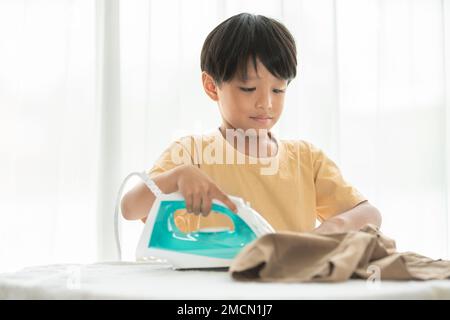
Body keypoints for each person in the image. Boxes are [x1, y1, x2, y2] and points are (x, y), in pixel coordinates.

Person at [120, 13, 381, 234]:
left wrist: (327, 232)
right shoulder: (192, 155)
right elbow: (130, 208)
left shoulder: (307, 159)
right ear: (212, 87)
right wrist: (177, 177)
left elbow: (370, 215)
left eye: (278, 90)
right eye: (248, 89)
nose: (266, 103)